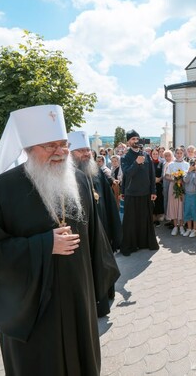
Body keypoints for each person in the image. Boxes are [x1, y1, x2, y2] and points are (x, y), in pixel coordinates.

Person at [0, 105, 119, 375]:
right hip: (33, 307)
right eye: (50, 146)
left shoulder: (79, 181)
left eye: (63, 144)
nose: (60, 152)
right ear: (28, 148)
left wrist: (101, 286)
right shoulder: (1, 190)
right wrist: (43, 244)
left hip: (77, 295)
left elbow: (96, 237)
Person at [68, 131, 121, 318]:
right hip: (83, 235)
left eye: (88, 150)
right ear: (70, 153)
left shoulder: (96, 172)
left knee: (104, 264)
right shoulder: (67, 178)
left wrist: (116, 232)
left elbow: (109, 202)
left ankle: (106, 295)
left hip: (103, 229)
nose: (86, 154)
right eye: (80, 150)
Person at [120, 129, 158, 256]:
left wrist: (153, 190)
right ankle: (131, 245)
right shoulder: (125, 157)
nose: (135, 141)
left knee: (145, 220)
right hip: (131, 193)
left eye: (137, 139)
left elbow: (151, 174)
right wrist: (136, 163)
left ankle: (145, 243)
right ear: (128, 142)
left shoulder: (146, 155)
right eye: (132, 139)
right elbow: (127, 174)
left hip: (146, 193)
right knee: (131, 221)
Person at [165, 147, 189, 235]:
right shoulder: (171, 164)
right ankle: (175, 226)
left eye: (180, 153)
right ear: (175, 154)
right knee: (174, 205)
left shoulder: (187, 164)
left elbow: (188, 175)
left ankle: (181, 226)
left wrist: (182, 179)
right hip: (173, 186)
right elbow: (166, 176)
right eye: (177, 153)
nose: (179, 155)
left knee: (182, 205)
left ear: (183, 154)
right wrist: (174, 179)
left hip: (183, 186)